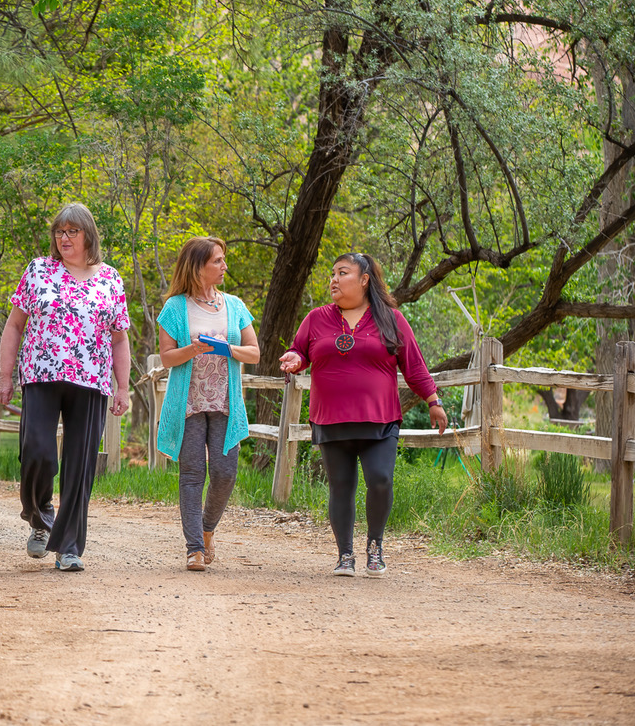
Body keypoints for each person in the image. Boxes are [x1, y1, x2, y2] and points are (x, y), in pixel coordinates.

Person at [277, 252, 447, 577]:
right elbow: (300, 350)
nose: (334, 280)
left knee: (380, 480)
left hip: (380, 419)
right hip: (330, 418)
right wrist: (295, 359)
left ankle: (375, 545)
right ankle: (345, 555)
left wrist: (433, 400)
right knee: (341, 486)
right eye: (332, 274)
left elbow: (414, 365)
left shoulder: (391, 320)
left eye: (343, 273)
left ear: (365, 279)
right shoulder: (316, 319)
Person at [0, 203, 131, 572]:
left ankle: (68, 545)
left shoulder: (110, 279)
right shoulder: (39, 270)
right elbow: (14, 326)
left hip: (92, 381)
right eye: (59, 231)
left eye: (72, 231)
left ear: (89, 235)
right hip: (40, 374)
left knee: (80, 465)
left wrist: (123, 387)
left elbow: (119, 339)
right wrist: (5, 376)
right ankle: (39, 516)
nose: (64, 238)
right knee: (37, 451)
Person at [156, 237, 260, 572]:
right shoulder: (175, 307)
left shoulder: (234, 305)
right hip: (188, 402)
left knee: (225, 472)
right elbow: (168, 357)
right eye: (217, 261)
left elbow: (255, 353)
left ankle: (207, 528)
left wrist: (225, 349)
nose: (224, 266)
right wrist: (195, 348)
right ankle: (194, 549)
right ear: (198, 266)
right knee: (192, 472)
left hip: (226, 402)